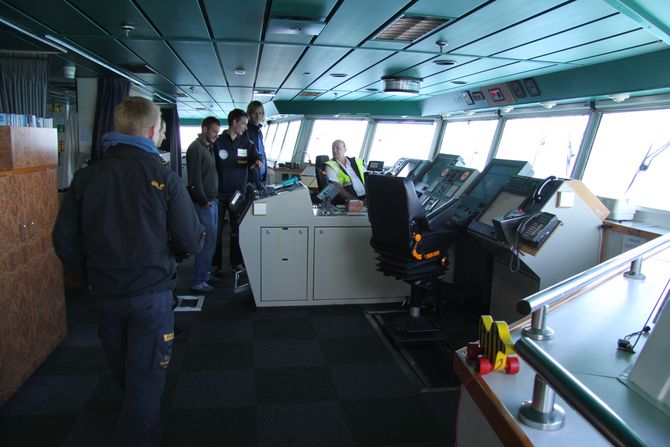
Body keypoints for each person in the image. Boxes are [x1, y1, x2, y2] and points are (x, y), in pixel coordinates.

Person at [52, 96, 205, 447]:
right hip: (150, 296)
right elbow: (192, 240)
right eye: (164, 131)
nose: (165, 138)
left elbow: (64, 238)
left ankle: (135, 410)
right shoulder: (164, 177)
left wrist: (88, 274)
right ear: (152, 131)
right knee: (146, 376)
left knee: (121, 367)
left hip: (104, 294)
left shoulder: (86, 177)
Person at [213, 108, 262, 272]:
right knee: (217, 232)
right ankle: (215, 265)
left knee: (238, 230)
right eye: (243, 123)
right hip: (219, 195)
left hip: (238, 194)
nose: (245, 127)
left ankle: (236, 262)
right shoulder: (218, 142)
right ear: (234, 122)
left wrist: (257, 161)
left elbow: (256, 156)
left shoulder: (246, 142)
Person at [186, 116, 221, 292]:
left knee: (212, 241)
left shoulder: (209, 147)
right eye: (214, 131)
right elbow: (194, 180)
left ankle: (205, 274)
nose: (216, 135)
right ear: (205, 129)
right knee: (205, 241)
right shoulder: (195, 148)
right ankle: (197, 280)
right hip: (204, 203)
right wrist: (203, 200)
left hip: (212, 201)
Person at [244, 100, 267, 185]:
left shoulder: (259, 131)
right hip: (251, 178)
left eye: (260, 113)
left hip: (261, 176)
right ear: (249, 114)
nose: (258, 116)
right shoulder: (246, 131)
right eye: (255, 113)